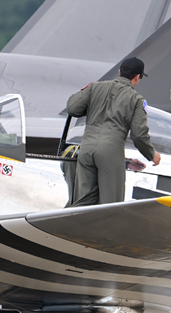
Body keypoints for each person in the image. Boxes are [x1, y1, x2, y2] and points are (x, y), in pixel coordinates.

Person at [66, 56, 161, 206]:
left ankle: (74, 229)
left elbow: (72, 108)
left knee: (82, 202)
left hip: (86, 149)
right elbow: (138, 134)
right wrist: (151, 154)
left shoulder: (95, 87)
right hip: (110, 152)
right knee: (110, 206)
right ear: (137, 77)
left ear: (119, 72)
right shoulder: (137, 100)